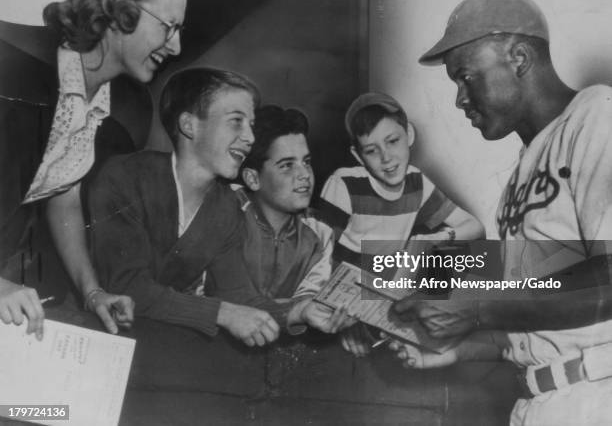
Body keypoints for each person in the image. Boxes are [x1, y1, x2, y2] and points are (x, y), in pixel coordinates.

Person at [391, 0, 612, 426]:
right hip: (539, 399)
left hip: (595, 398)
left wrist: (474, 306)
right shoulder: (520, 173)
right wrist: (456, 345)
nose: (458, 99)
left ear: (518, 57)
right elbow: (543, 304)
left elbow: (607, 277)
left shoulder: (598, 115)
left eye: (466, 76)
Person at [0, 0, 190, 335]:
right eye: (169, 27)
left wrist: (92, 292)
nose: (177, 45)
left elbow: (63, 193)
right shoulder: (14, 79)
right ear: (120, 11)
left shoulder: (99, 101)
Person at [89, 68, 287, 347]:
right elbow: (127, 287)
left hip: (153, 347)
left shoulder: (226, 207)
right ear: (189, 125)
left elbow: (240, 298)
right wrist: (222, 313)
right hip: (89, 336)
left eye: (251, 125)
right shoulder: (124, 176)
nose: (251, 137)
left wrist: (296, 312)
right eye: (236, 122)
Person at [318, 92, 484, 356]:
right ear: (358, 156)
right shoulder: (344, 184)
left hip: (388, 299)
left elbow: (473, 226)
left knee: (477, 264)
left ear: (409, 135)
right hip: (343, 300)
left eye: (393, 141)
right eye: (372, 151)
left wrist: (440, 237)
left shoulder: (416, 182)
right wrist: (342, 315)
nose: (387, 158)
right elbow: (314, 257)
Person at [235, 105, 351, 334]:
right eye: (287, 165)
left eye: (306, 161)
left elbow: (307, 302)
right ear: (252, 178)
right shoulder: (226, 212)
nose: (305, 175)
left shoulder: (320, 232)